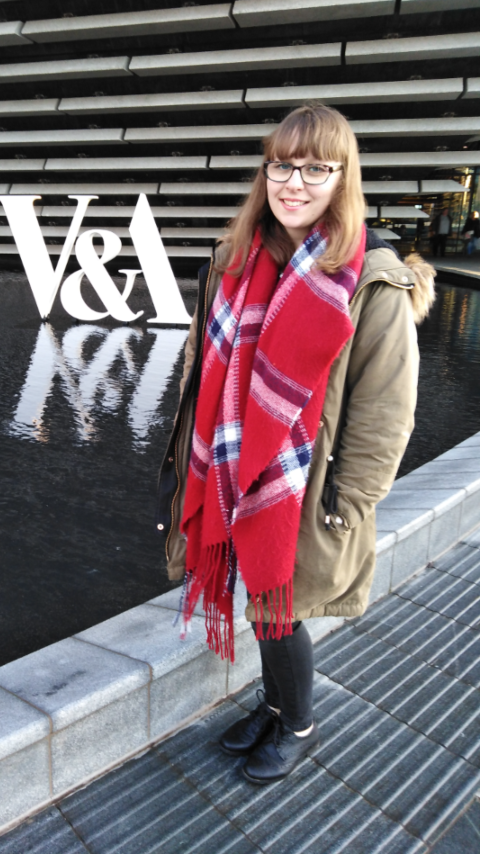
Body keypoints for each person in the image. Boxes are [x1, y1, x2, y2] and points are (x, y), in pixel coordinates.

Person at [156, 103, 435, 786]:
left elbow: (385, 411)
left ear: (343, 178)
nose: (294, 183)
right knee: (263, 605)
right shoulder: (236, 257)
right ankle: (275, 705)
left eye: (316, 168)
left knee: (280, 611)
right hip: (232, 469)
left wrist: (348, 503)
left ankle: (298, 725)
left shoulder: (371, 279)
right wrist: (190, 457)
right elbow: (200, 367)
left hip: (303, 486)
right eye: (281, 166)